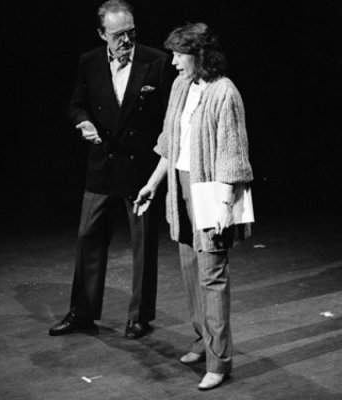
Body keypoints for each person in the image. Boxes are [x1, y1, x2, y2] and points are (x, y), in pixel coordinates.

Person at [133, 22, 254, 389]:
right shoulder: (181, 87)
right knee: (189, 268)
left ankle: (220, 362)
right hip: (180, 187)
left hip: (210, 191)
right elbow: (170, 144)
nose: (173, 62)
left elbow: (233, 157)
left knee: (212, 276)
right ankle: (202, 342)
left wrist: (223, 206)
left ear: (199, 55)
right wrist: (152, 184)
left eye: (179, 55)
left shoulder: (224, 93)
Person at [49, 0, 174, 339]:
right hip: (102, 164)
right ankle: (82, 312)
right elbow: (77, 105)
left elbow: (168, 118)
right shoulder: (88, 62)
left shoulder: (157, 62)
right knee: (88, 237)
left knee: (143, 244)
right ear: (102, 33)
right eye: (118, 34)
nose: (126, 40)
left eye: (131, 32)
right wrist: (83, 123)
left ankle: (139, 317)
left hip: (139, 168)